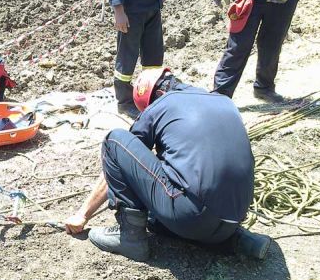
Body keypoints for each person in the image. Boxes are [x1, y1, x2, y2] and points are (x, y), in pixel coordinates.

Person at [65, 68, 270, 261]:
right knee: (158, 218)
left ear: (160, 93)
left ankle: (130, 238)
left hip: (191, 218)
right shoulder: (224, 101)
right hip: (233, 219)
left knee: (115, 139)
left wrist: (82, 214)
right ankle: (238, 241)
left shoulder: (163, 102)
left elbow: (122, 155)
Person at [106, 0, 167, 118]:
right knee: (127, 57)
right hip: (132, 10)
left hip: (152, 4)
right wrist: (118, 10)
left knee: (154, 54)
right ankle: (124, 101)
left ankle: (149, 92)